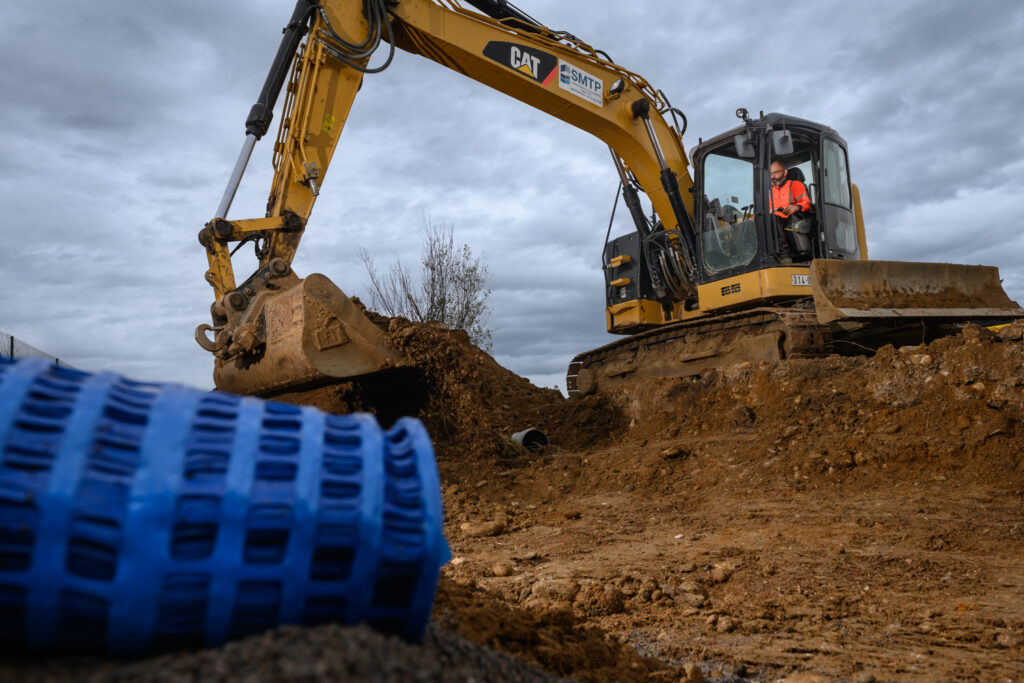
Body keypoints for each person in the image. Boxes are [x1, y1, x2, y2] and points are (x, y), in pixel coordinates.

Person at [769, 161, 812, 259]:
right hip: (773, 220)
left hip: (788, 219)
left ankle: (784, 253)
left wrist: (796, 207)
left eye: (776, 172)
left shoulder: (795, 185)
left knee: (772, 220)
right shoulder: (770, 191)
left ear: (785, 172)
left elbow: (806, 203)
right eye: (771, 174)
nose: (773, 177)